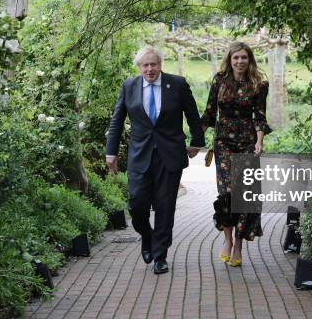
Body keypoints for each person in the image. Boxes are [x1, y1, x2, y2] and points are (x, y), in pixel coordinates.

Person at [106, 47, 205, 274]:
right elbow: (116, 121)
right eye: (145, 65)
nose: (150, 69)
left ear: (160, 64)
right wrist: (110, 152)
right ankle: (147, 236)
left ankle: (160, 256)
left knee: (165, 207)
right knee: (137, 205)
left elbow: (192, 115)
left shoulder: (177, 84)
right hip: (139, 156)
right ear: (139, 67)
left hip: (169, 156)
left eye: (154, 64)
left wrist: (197, 141)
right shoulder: (129, 86)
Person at [201, 41, 271, 267]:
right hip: (223, 143)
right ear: (230, 60)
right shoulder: (219, 80)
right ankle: (227, 240)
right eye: (236, 58)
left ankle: (239, 245)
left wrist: (259, 142)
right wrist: (194, 141)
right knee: (227, 194)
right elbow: (210, 113)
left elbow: (259, 116)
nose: (240, 61)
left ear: (249, 60)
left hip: (248, 142)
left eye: (244, 58)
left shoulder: (259, 83)